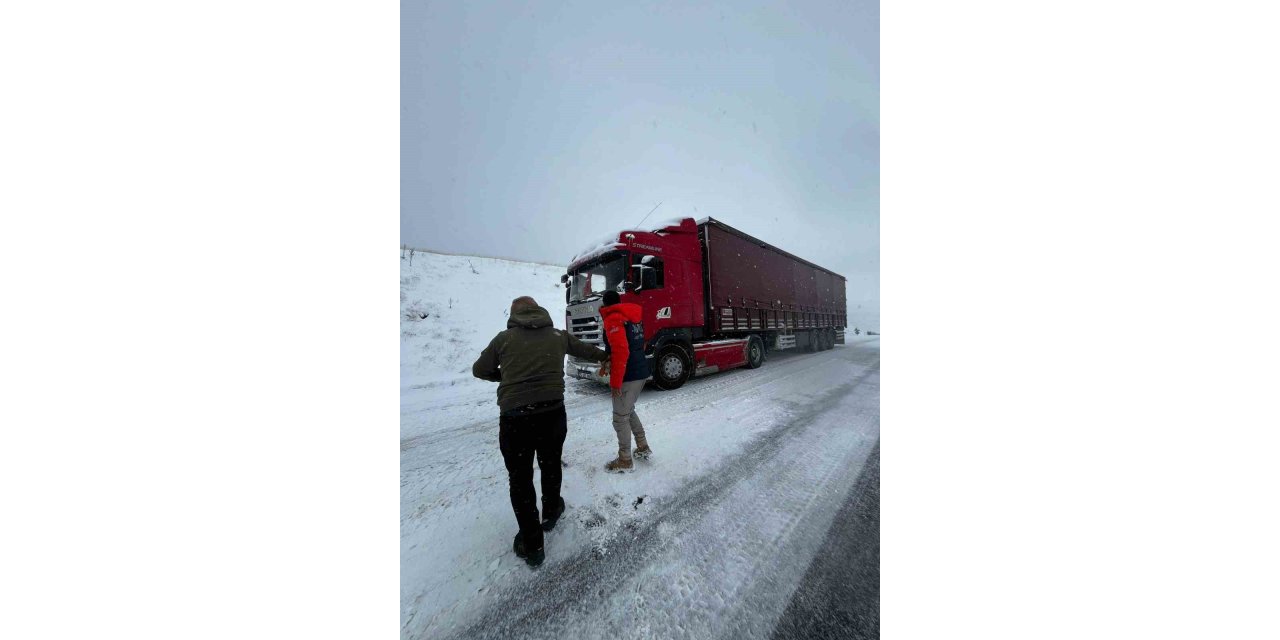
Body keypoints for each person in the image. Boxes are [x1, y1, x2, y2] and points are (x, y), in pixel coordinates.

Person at [472, 296, 608, 567]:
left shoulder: (503, 339)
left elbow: (480, 369)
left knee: (520, 479)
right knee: (550, 463)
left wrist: (505, 376)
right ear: (538, 311)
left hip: (515, 420)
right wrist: (608, 355)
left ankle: (533, 545)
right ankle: (551, 510)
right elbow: (587, 351)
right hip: (552, 414)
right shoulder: (558, 336)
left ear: (514, 315)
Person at [599, 290, 653, 472]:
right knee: (628, 411)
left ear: (605, 304)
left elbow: (621, 351)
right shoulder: (632, 316)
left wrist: (615, 382)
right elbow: (639, 343)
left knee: (620, 418)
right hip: (640, 370)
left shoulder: (613, 319)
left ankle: (625, 460)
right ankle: (642, 446)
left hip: (628, 375)